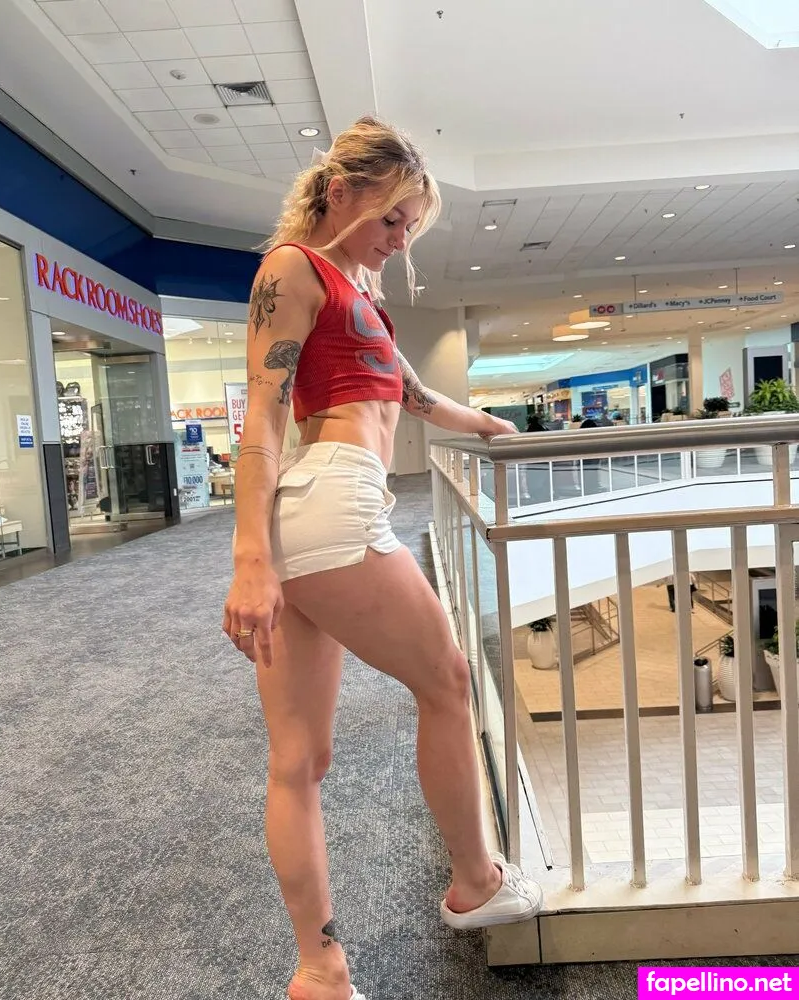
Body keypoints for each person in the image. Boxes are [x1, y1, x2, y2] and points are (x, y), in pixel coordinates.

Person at [222, 116, 543, 1000]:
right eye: (391, 217)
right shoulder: (294, 267)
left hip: (317, 514)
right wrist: (249, 561)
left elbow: (415, 394)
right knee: (447, 681)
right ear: (341, 193)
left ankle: (319, 971)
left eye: (411, 225)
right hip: (332, 502)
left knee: (300, 758)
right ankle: (475, 883)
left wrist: (491, 427)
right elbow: (264, 415)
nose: (400, 238)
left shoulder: (357, 287)